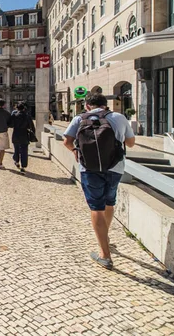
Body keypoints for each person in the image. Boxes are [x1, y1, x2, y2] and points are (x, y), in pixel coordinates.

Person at [63, 94, 135, 270]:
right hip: (115, 168)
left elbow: (67, 141)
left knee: (96, 207)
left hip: (89, 169)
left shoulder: (80, 118)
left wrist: (75, 151)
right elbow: (131, 143)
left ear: (87, 106)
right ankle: (106, 238)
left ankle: (105, 254)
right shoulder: (118, 117)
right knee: (109, 203)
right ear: (106, 105)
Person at [9, 102, 35, 173]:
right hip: (24, 134)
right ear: (24, 108)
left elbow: (10, 125)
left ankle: (16, 161)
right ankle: (23, 166)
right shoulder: (27, 116)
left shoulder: (14, 115)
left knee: (16, 149)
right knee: (24, 151)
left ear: (17, 108)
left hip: (16, 134)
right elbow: (32, 127)